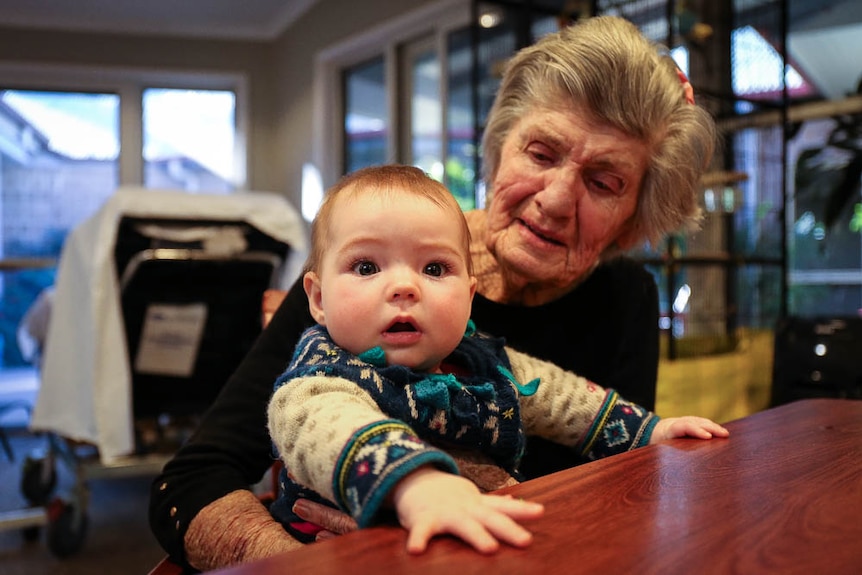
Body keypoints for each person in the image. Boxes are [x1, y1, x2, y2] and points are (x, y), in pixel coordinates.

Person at [150, 15, 719, 571]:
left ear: (631, 220)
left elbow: (615, 472)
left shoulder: (624, 299)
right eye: (541, 154)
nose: (555, 198)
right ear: (497, 153)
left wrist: (648, 431)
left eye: (603, 182)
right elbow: (194, 480)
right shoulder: (359, 281)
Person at [266, 165, 727, 555]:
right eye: (367, 267)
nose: (404, 287)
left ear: (469, 296)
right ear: (319, 299)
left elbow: (564, 400)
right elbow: (331, 428)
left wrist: (651, 430)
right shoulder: (319, 379)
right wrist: (420, 486)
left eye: (434, 269)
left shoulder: (480, 360)